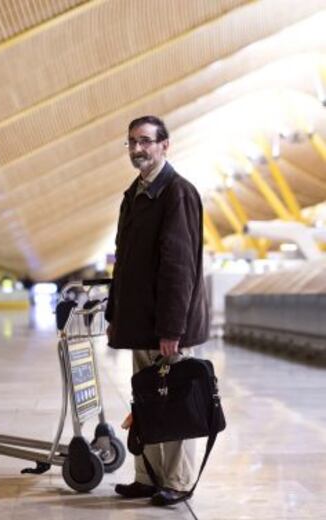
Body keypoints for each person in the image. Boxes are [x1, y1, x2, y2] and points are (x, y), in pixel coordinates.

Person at [105, 115, 209, 507]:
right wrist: (116, 315)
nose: (137, 149)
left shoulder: (177, 193)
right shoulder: (135, 193)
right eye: (132, 142)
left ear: (165, 145)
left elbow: (178, 267)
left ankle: (178, 480)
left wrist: (171, 329)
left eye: (146, 141)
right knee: (146, 399)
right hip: (141, 324)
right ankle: (148, 477)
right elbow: (125, 264)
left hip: (166, 328)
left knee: (176, 402)